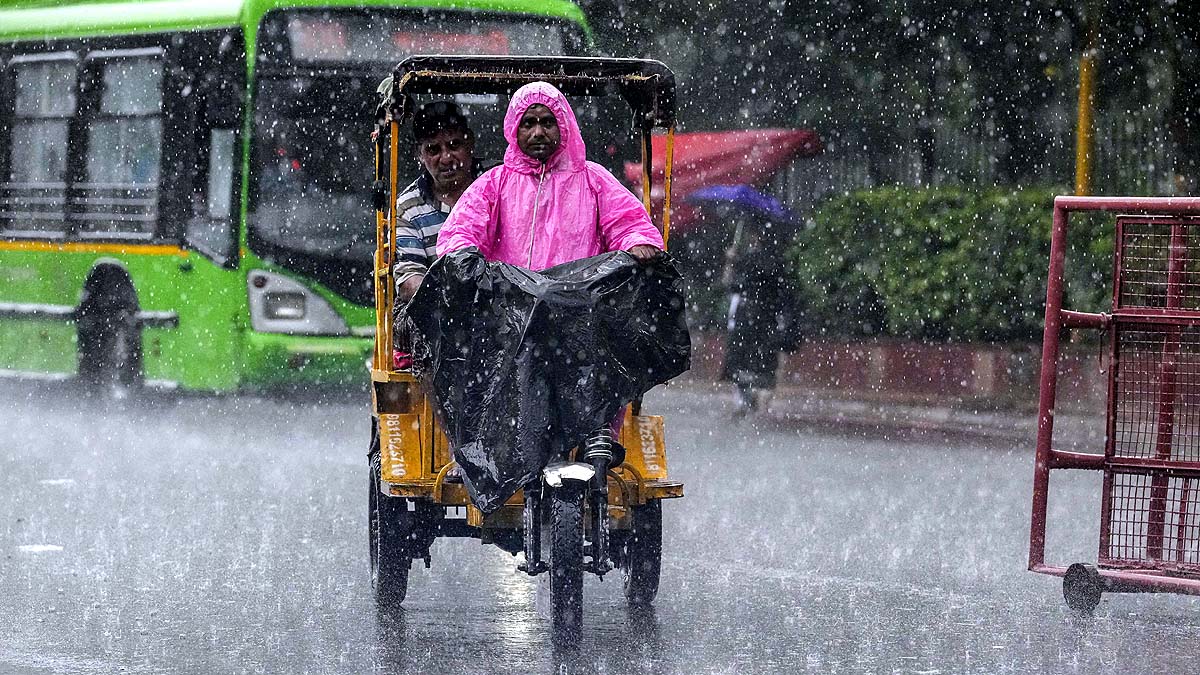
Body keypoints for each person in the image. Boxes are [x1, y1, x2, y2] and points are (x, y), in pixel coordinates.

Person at [435, 81, 663, 268]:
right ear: (515, 129)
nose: (538, 133)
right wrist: (461, 256)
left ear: (563, 126)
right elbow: (463, 231)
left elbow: (627, 223)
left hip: (579, 309)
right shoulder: (494, 183)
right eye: (528, 123)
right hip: (512, 312)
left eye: (547, 122)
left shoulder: (593, 179)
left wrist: (637, 242)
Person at [391, 101, 490, 366]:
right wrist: (454, 303)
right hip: (440, 311)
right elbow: (409, 278)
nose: (446, 158)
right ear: (420, 154)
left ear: (470, 144)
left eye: (454, 146)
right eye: (434, 150)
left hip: (498, 302)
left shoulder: (499, 183)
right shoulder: (408, 206)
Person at [721, 215, 792, 418]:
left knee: (741, 362)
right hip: (766, 321)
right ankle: (755, 402)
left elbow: (732, 286)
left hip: (748, 319)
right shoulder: (778, 261)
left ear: (756, 236)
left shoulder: (751, 261)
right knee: (762, 364)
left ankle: (746, 400)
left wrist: (732, 261)